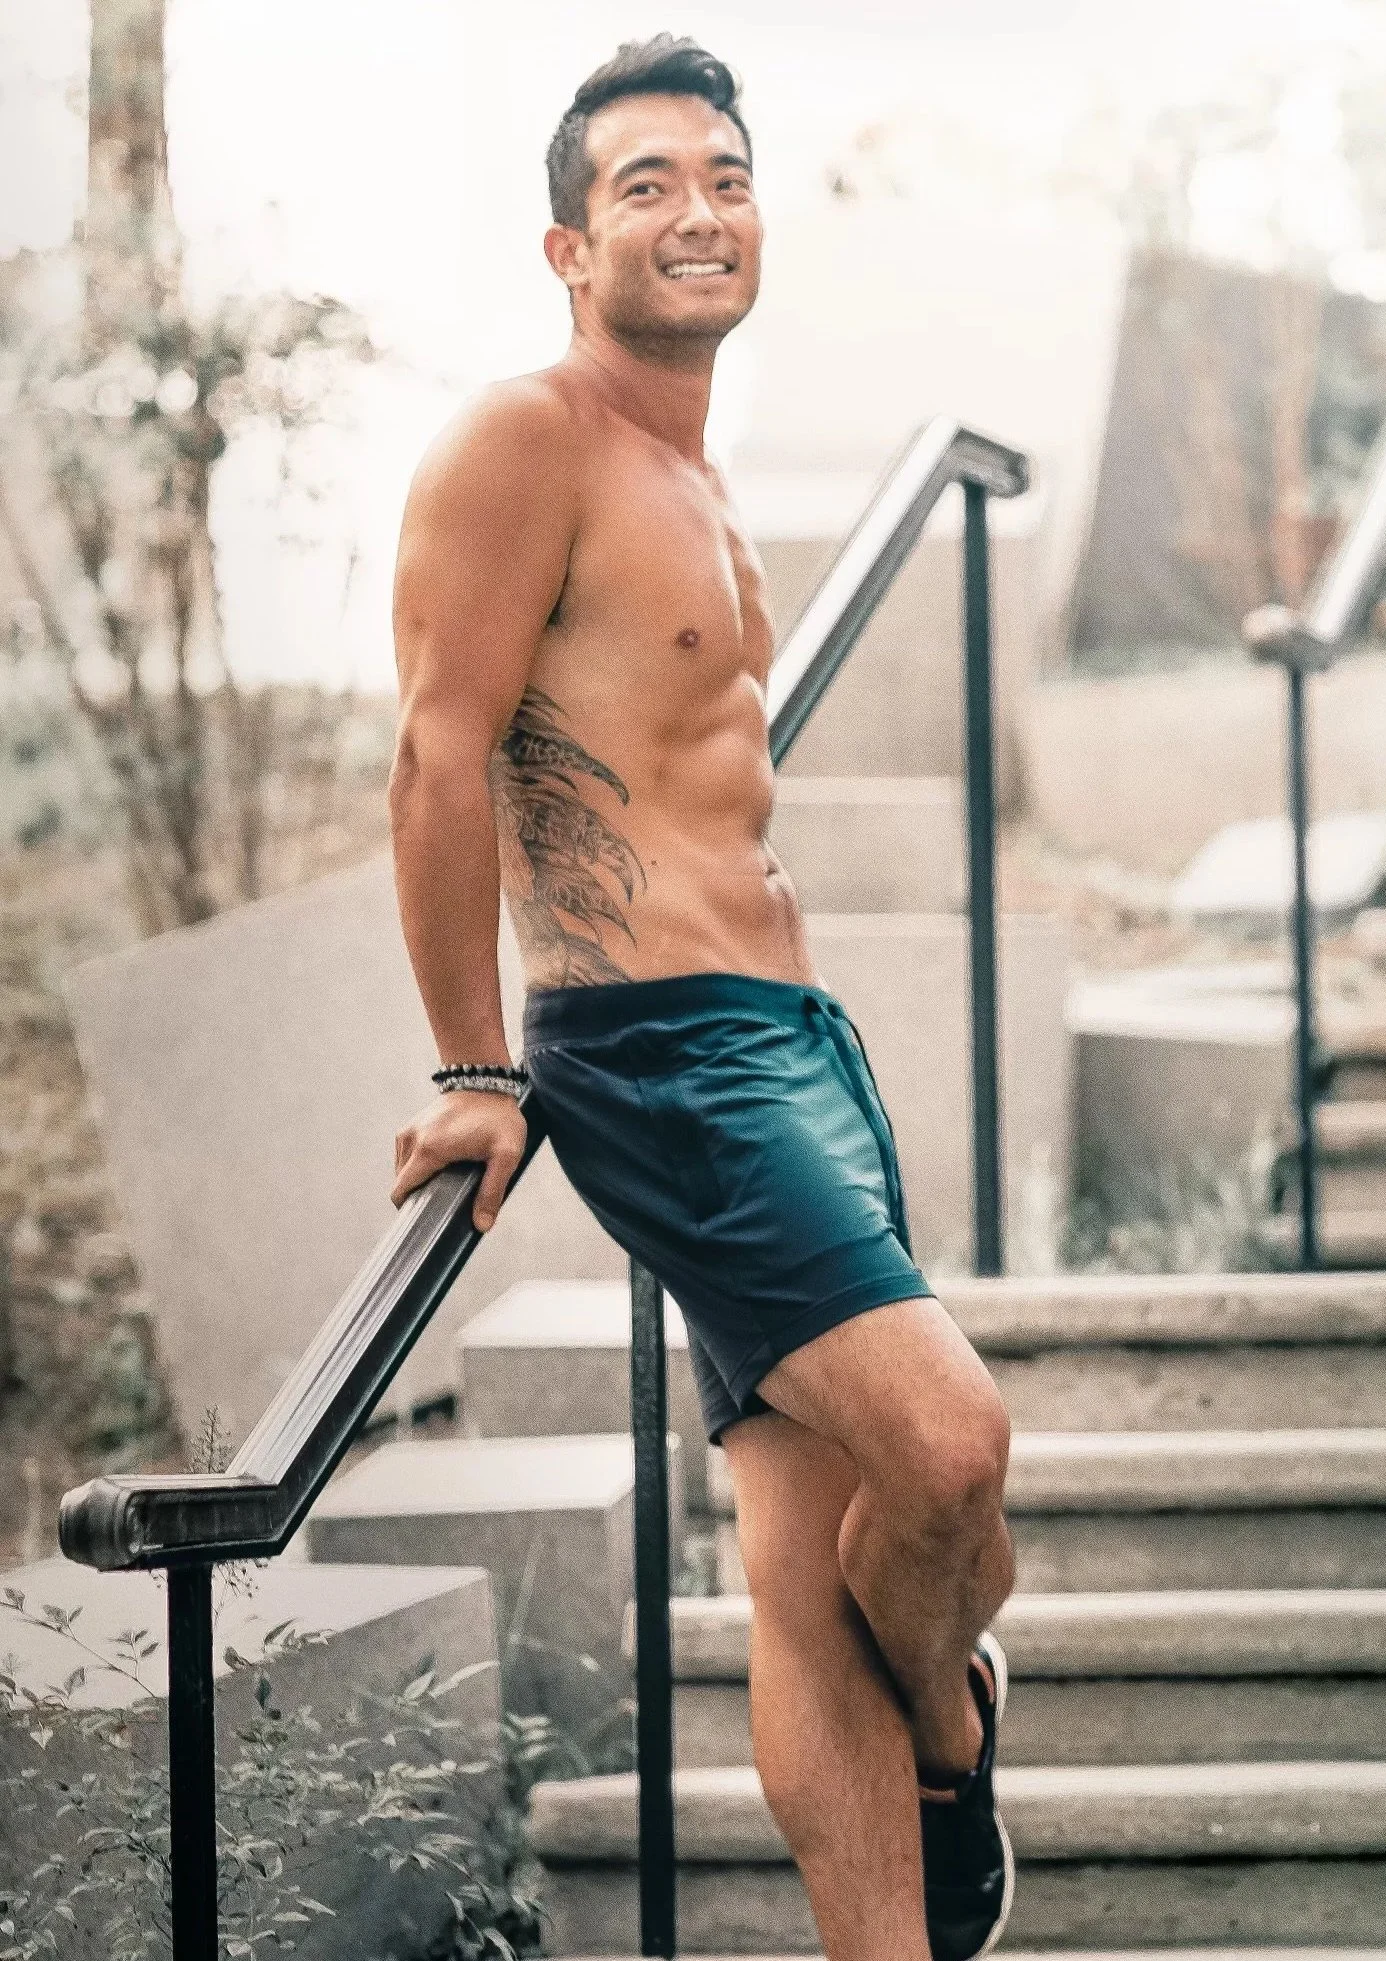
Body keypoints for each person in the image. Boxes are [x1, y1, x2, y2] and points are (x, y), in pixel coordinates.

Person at [383, 36, 1016, 1961]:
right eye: (647, 183)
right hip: (663, 1054)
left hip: (796, 1037)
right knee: (955, 1448)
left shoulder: (690, 464)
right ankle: (954, 1715)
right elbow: (435, 750)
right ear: (567, 244)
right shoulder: (528, 441)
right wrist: (480, 1064)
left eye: (724, 176)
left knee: (811, 1568)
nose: (699, 211)